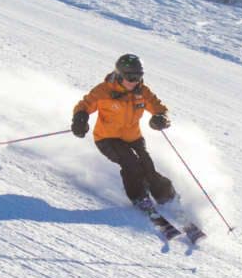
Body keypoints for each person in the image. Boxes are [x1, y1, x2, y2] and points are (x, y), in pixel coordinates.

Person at [71, 53, 178, 213]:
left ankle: (167, 196)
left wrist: (161, 118)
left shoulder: (142, 91)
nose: (134, 81)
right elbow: (84, 106)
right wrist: (80, 119)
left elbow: (159, 108)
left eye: (138, 76)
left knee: (147, 166)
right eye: (130, 77)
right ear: (120, 75)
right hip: (107, 139)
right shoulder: (104, 91)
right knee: (131, 164)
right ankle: (139, 197)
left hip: (133, 137)